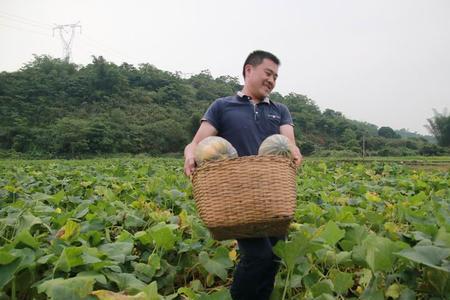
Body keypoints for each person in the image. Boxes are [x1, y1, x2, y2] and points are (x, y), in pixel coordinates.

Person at [184, 50, 302, 300]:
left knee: (275, 256)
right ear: (249, 70)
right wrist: (189, 153)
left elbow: (288, 142)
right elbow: (197, 144)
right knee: (259, 255)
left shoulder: (280, 110)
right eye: (268, 73)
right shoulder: (222, 106)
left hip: (272, 194)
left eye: (276, 77)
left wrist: (294, 151)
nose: (272, 80)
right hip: (238, 196)